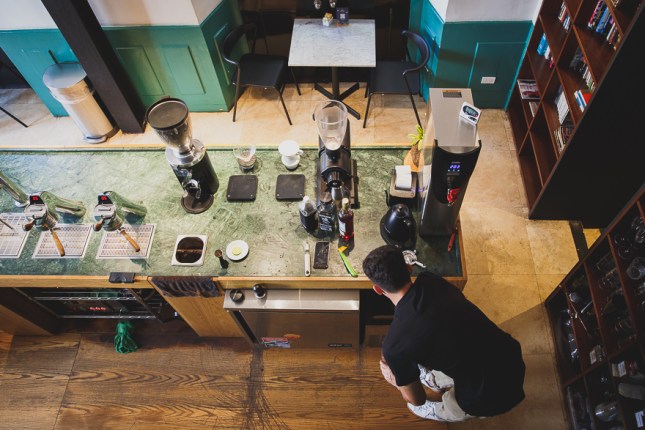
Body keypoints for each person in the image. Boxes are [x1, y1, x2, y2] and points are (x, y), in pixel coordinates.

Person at [362, 245, 526, 421]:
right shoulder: (431, 281)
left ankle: (442, 410)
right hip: (509, 355)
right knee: (453, 348)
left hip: (487, 394)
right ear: (409, 268)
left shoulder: (394, 346)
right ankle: (435, 380)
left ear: (378, 289)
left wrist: (396, 380)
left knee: (453, 405)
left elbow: (417, 400)